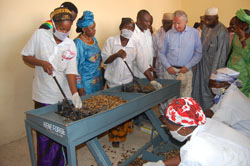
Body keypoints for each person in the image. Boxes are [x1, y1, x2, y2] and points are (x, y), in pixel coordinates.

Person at [22, 7, 82, 166]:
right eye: (62, 29)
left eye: (68, 29)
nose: (65, 32)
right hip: (44, 95)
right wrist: (41, 63)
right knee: (46, 135)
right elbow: (26, 56)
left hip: (63, 97)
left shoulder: (70, 44)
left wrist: (74, 94)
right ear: (54, 25)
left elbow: (70, 71)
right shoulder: (40, 35)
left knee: (63, 134)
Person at [102, 18, 162, 147]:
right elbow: (105, 60)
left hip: (127, 82)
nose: (128, 30)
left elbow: (142, 64)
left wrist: (152, 80)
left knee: (125, 111)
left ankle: (125, 131)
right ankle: (115, 138)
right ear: (120, 27)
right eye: (126, 27)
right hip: (113, 83)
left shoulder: (134, 43)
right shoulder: (111, 41)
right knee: (114, 112)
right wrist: (116, 54)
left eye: (131, 28)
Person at [143, 97, 250, 166]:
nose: (169, 132)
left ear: (183, 129)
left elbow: (191, 157)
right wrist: (162, 164)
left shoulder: (194, 153)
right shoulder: (207, 123)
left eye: (170, 128)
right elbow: (185, 156)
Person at [192, 7, 230, 110]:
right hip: (201, 66)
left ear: (217, 18)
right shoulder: (206, 27)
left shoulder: (222, 31)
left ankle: (208, 115)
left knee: (209, 92)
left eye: (210, 20)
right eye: (206, 19)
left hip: (212, 68)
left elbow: (221, 56)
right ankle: (198, 112)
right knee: (197, 89)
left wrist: (214, 75)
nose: (207, 22)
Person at [160, 10, 202, 97]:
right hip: (170, 72)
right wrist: (168, 67)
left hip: (186, 71)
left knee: (185, 98)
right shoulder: (169, 34)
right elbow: (162, 53)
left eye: (179, 23)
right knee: (169, 97)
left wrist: (187, 66)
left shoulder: (194, 33)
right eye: (174, 23)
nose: (176, 26)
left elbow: (198, 53)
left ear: (186, 22)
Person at [204, 67, 250, 138]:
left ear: (224, 83)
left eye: (214, 85)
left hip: (245, 134)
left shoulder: (230, 100)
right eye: (210, 84)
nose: (212, 87)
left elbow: (216, 123)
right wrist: (197, 115)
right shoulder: (227, 91)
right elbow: (213, 110)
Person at [74, 11, 103, 95]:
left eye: (94, 27)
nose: (94, 30)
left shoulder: (93, 40)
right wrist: (79, 86)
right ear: (84, 29)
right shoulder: (78, 43)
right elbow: (76, 66)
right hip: (86, 83)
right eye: (91, 28)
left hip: (98, 80)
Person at [227, 9, 250, 98]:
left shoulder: (242, 37)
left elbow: (248, 57)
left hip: (245, 76)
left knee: (242, 100)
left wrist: (243, 39)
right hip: (232, 72)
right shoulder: (236, 35)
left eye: (238, 23)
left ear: (246, 24)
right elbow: (232, 52)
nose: (235, 26)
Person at [131, 9, 155, 79]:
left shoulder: (147, 31)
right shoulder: (132, 33)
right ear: (139, 20)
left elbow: (150, 49)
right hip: (137, 74)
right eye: (146, 21)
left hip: (150, 71)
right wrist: (146, 66)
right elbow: (133, 56)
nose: (149, 24)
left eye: (149, 21)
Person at [153, 13, 173, 79]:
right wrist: (154, 71)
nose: (168, 25)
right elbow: (154, 54)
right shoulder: (156, 34)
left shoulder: (176, 33)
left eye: (170, 23)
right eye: (166, 23)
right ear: (162, 22)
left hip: (173, 69)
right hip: (160, 68)